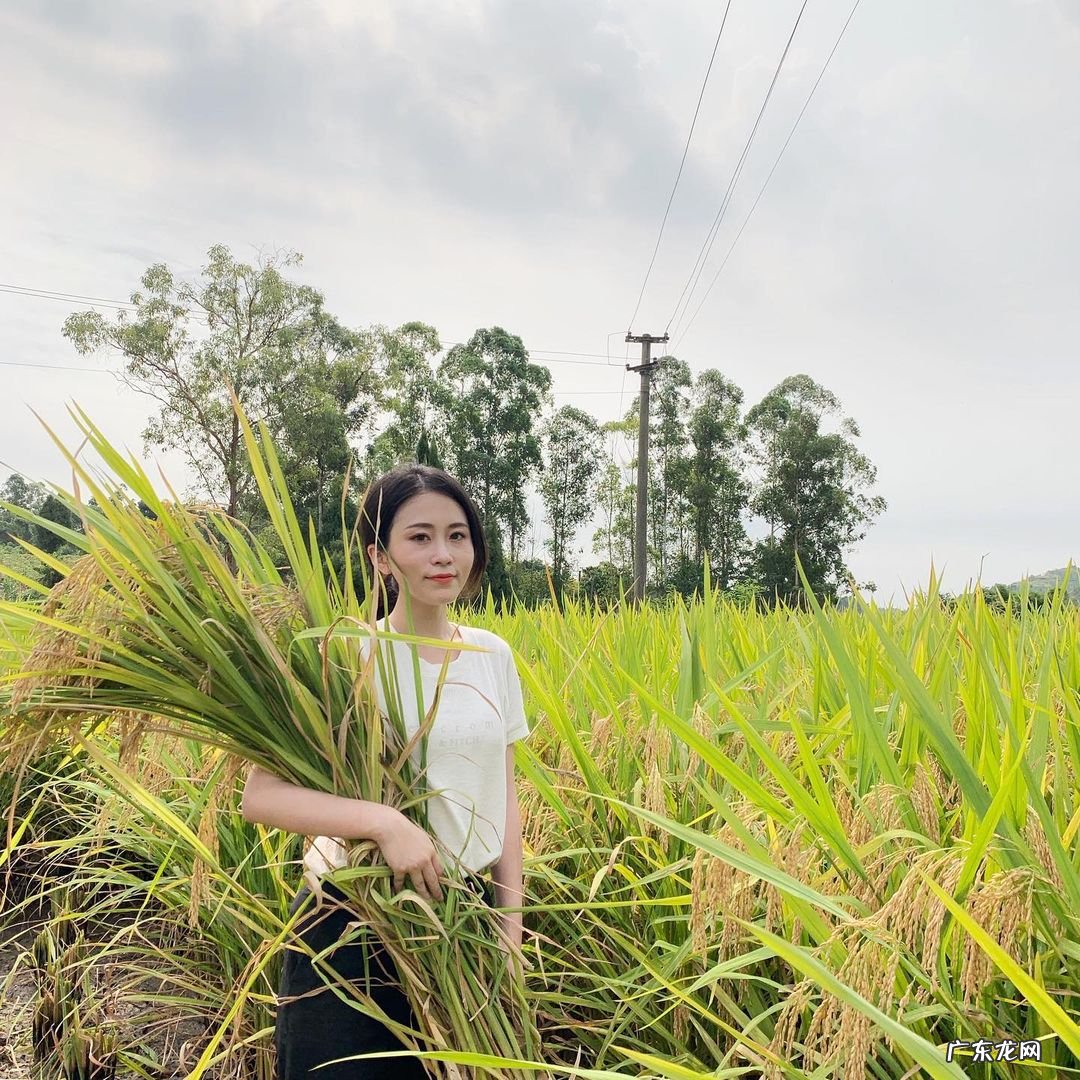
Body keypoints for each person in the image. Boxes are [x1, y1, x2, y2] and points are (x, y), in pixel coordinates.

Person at [240, 464, 531, 1079]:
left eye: (457, 535)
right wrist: (383, 822)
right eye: (419, 537)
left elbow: (504, 797)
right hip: (350, 923)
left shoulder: (493, 656)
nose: (443, 554)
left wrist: (510, 926)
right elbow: (261, 795)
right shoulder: (344, 652)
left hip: (461, 920)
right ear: (380, 555)